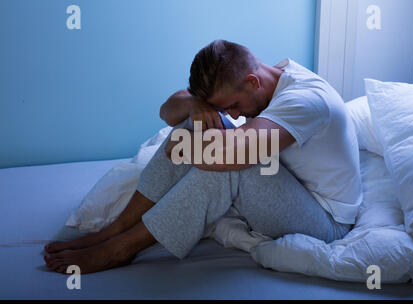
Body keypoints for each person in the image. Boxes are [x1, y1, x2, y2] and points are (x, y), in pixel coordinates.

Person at [43, 39, 362, 274]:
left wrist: (181, 147)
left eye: (234, 106)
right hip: (290, 184)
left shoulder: (306, 100)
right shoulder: (267, 77)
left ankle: (120, 249)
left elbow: (237, 157)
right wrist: (197, 108)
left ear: (252, 82)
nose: (235, 115)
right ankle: (115, 229)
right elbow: (168, 111)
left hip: (325, 219)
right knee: (193, 124)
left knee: (230, 166)